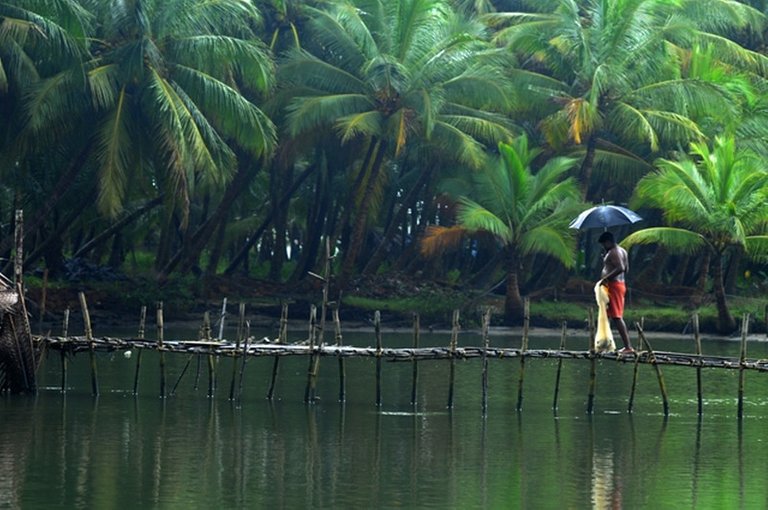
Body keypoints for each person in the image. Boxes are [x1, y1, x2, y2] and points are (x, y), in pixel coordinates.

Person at [597, 231, 633, 354]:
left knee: (617, 317)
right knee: (607, 315)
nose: (603, 247)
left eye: (603, 244)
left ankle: (628, 347)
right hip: (617, 285)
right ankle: (604, 344)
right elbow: (626, 269)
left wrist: (606, 278)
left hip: (615, 286)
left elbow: (621, 268)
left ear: (608, 242)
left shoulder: (615, 252)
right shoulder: (621, 251)